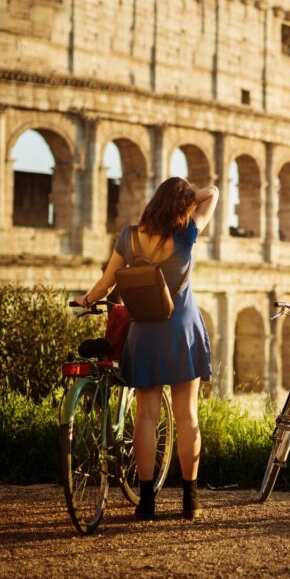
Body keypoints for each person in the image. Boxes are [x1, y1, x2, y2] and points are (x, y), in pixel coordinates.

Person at [75, 177, 218, 520]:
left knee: (145, 418)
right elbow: (212, 193)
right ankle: (190, 501)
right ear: (182, 206)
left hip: (144, 334)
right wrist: (187, 198)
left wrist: (87, 299)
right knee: (186, 417)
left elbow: (107, 282)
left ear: (154, 201)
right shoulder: (187, 233)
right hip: (181, 330)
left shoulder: (130, 236)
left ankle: (147, 502)